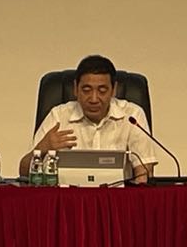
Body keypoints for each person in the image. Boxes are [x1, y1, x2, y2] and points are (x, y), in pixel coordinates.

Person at [20, 54, 158, 184]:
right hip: (67, 198)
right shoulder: (58, 116)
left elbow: (143, 175)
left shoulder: (132, 116)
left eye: (102, 91)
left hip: (117, 199)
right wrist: (42, 148)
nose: (93, 99)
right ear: (76, 89)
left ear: (113, 90)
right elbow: (24, 172)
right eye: (86, 90)